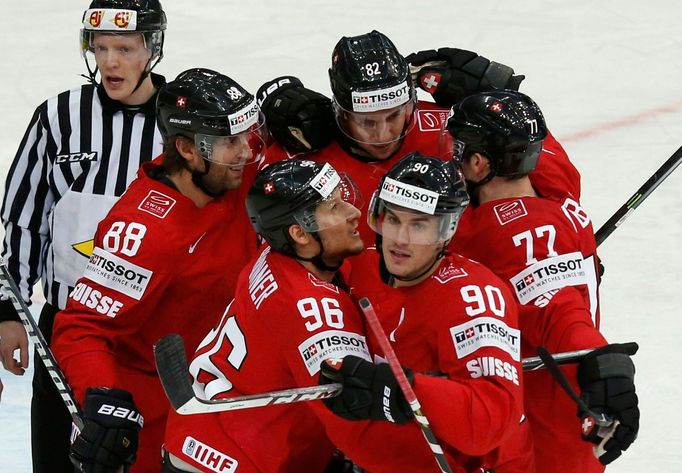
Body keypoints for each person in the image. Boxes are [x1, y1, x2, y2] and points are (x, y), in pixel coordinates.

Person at [52, 68, 264, 473]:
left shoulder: (231, 174)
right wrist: (103, 396)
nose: (246, 152)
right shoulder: (144, 231)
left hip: (227, 404)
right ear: (185, 148)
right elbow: (81, 329)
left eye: (246, 136)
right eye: (229, 143)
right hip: (158, 422)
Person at [0, 1, 167, 472]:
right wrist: (9, 310)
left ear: (151, 48)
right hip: (67, 323)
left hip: (151, 329)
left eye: (124, 47)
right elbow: (24, 217)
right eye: (100, 47)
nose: (109, 61)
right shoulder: (59, 118)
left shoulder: (183, 120)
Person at [445, 90, 639, 470]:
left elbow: (559, 310)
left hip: (540, 443)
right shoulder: (556, 182)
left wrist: (605, 364)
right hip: (569, 431)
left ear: (480, 163)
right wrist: (493, 87)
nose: (450, 158)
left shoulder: (506, 239)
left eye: (458, 149)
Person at [321, 152, 532, 472]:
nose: (399, 240)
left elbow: (490, 421)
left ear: (446, 231)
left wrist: (409, 392)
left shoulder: (472, 296)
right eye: (392, 219)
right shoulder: (360, 267)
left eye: (419, 226)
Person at [257, 30, 529, 244]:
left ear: (410, 104)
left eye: (393, 117)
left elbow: (552, 194)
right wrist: (264, 122)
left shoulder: (450, 128)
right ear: (341, 111)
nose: (383, 134)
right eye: (366, 122)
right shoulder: (300, 160)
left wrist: (507, 110)